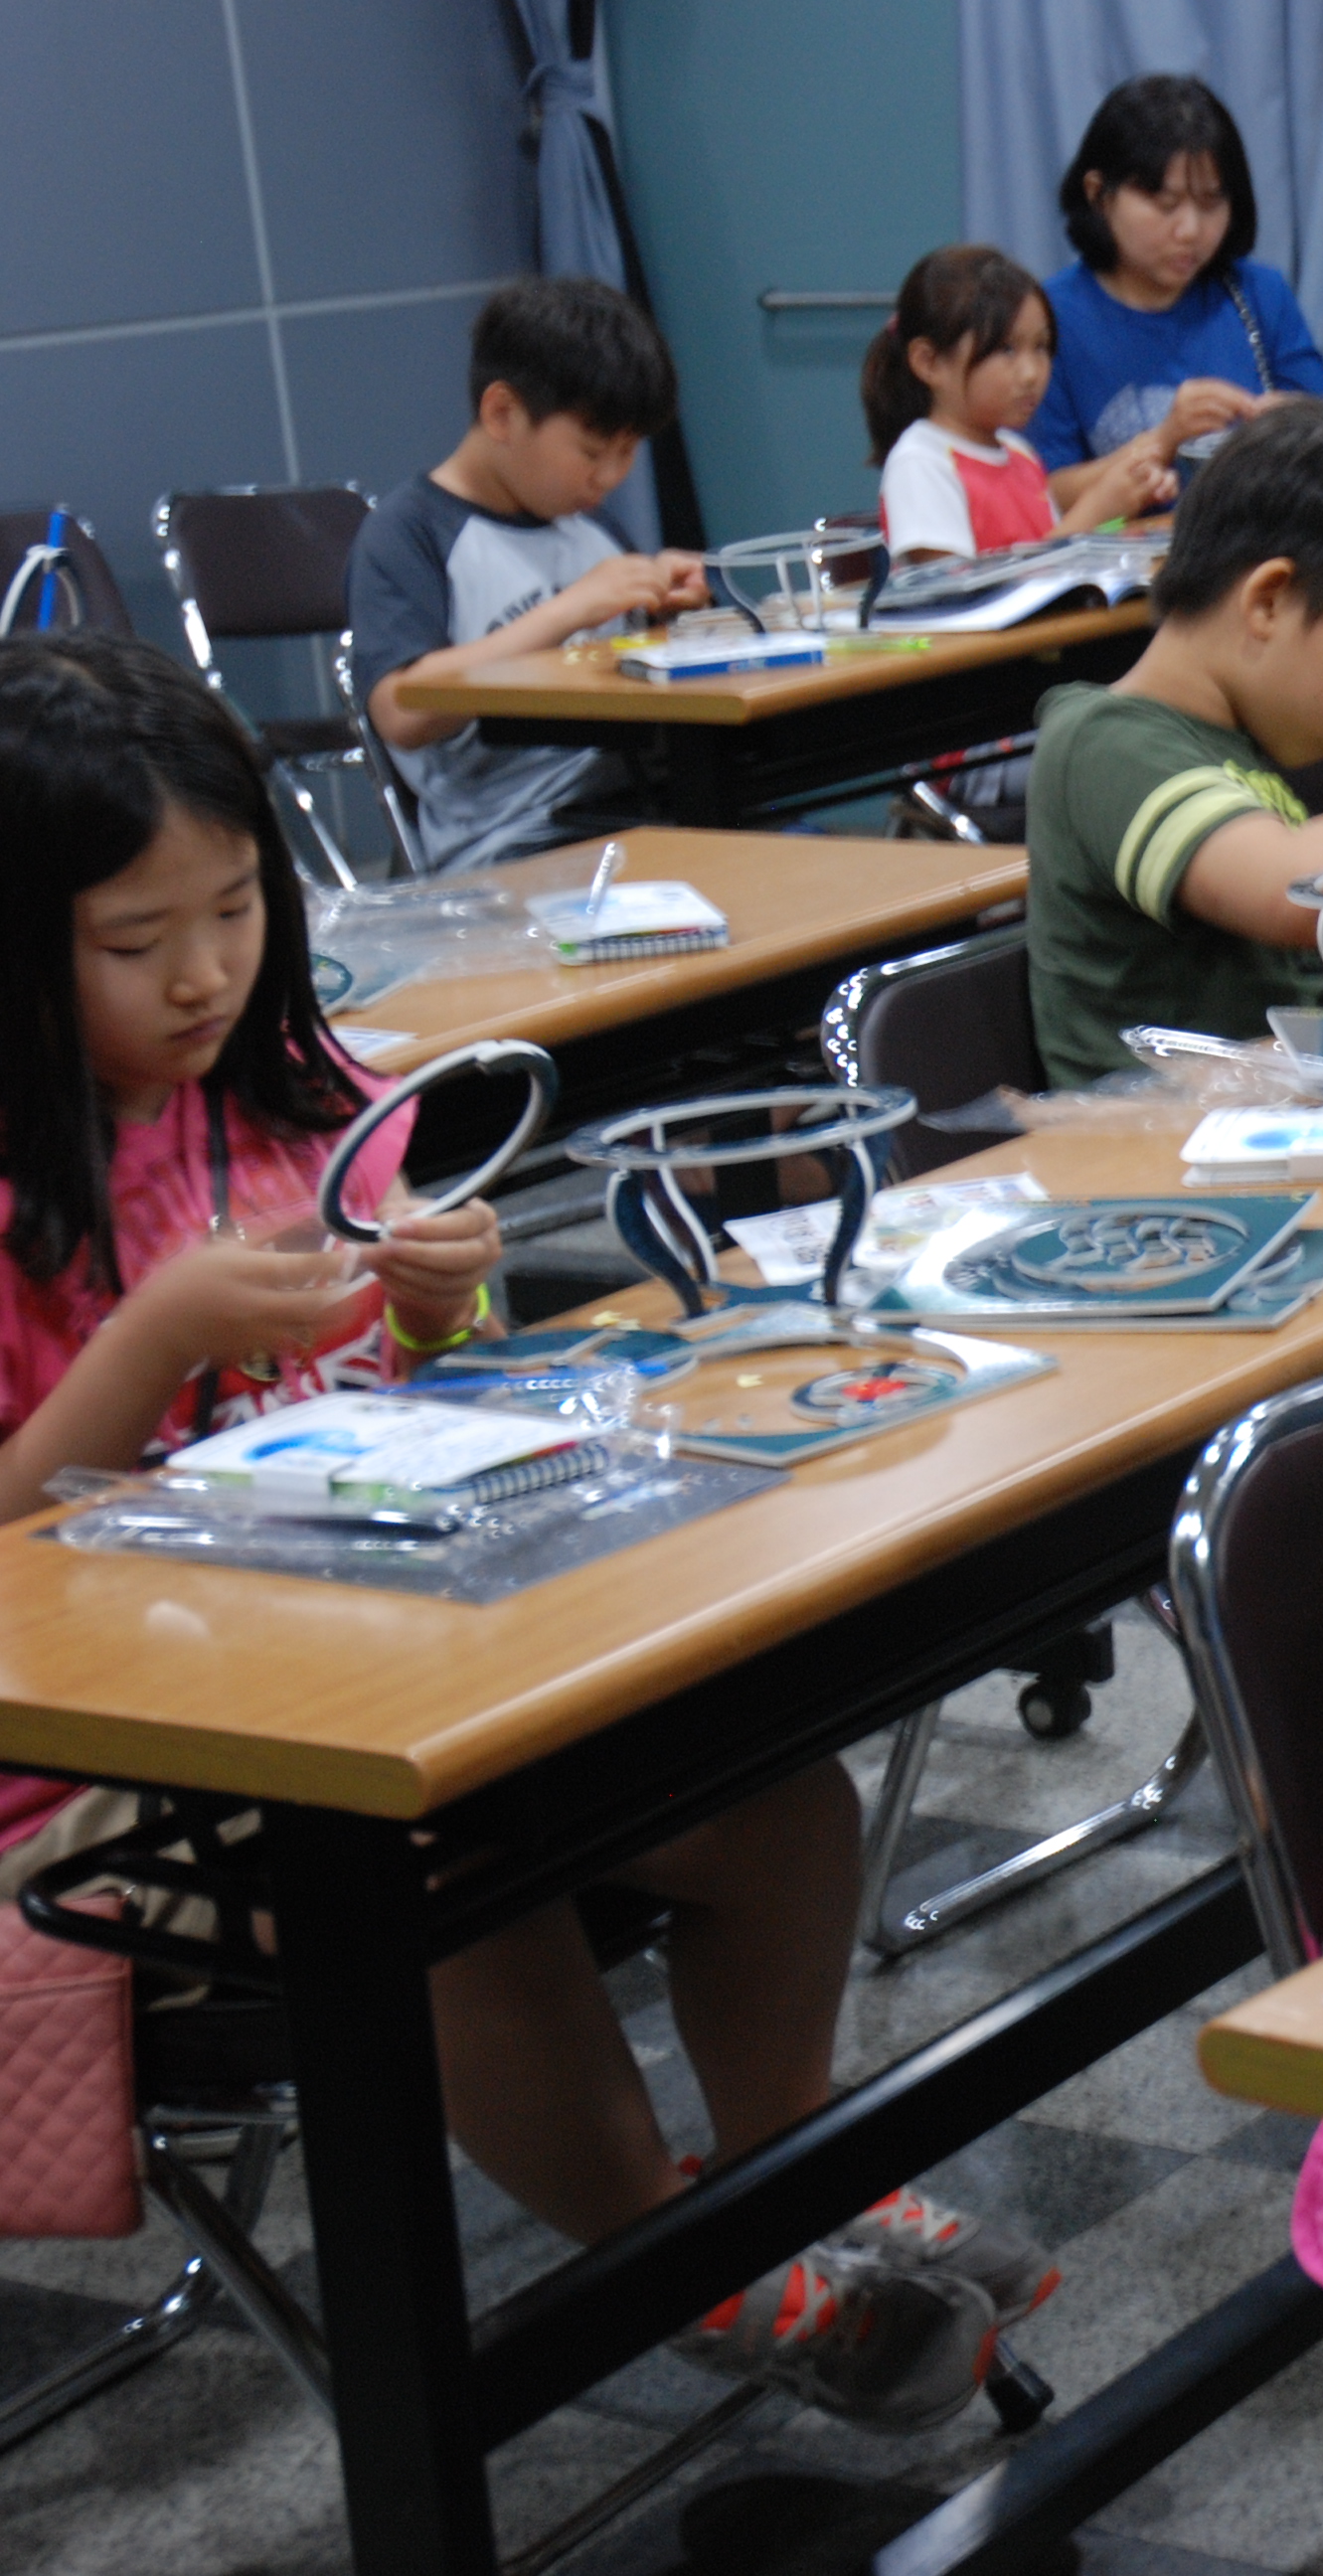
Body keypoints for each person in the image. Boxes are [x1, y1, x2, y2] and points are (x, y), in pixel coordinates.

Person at [0, 634, 1051, 2427]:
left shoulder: (279, 1085)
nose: (204, 975)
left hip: (373, 1635)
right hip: (100, 1753)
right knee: (440, 1878)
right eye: (132, 941)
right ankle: (683, 2262)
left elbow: (412, 1397)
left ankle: (782, 2169)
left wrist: (433, 1304)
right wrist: (151, 1336)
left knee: (765, 1781)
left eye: (239, 910)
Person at [1025, 403, 1323, 1086]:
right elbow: (1294, 890)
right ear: (1269, 601)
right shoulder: (1100, 743)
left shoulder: (1246, 750)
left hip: (1269, 1128)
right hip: (1147, 1166)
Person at [350, 277, 708, 874]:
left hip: (636, 810)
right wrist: (572, 608)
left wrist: (665, 611)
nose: (612, 476)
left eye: (629, 452)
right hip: (508, 844)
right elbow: (401, 711)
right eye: (593, 453)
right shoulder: (412, 534)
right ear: (503, 413)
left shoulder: (591, 532)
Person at [1027, 73, 1323, 471]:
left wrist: (1293, 429)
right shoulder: (1048, 319)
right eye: (1165, 204)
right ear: (1098, 194)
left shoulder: (1261, 294)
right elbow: (1042, 498)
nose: (1190, 231)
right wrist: (1165, 440)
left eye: (1210, 204)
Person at [866, 244, 1178, 562]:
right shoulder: (922, 462)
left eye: (1041, 347)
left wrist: (1122, 510)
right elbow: (958, 596)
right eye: (1006, 350)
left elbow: (1052, 553)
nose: (1032, 374)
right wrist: (1096, 508)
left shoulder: (1020, 454)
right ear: (929, 362)